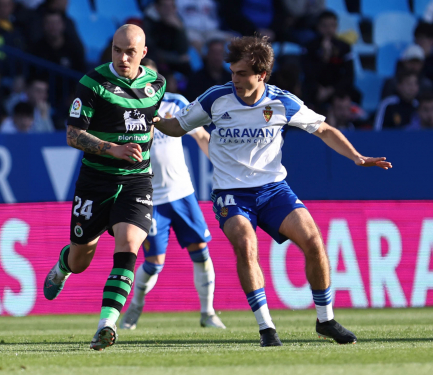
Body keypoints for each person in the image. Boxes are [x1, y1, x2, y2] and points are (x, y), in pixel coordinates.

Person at [153, 35, 391, 346]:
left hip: (273, 189)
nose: (234, 79)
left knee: (314, 242)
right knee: (246, 246)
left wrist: (357, 157)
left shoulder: (282, 102)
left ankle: (326, 320)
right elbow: (176, 127)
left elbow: (324, 129)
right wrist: (150, 117)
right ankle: (267, 328)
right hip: (232, 193)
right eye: (232, 72)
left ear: (261, 75)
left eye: (241, 74)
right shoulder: (215, 99)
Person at [42, 24, 166, 351]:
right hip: (96, 181)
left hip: (137, 179)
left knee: (128, 245)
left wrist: (140, 149)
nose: (123, 58)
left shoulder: (156, 84)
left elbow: (148, 125)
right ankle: (63, 266)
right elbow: (72, 135)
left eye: (129, 52)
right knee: (81, 259)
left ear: (143, 53)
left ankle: (107, 323)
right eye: (116, 50)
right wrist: (113, 149)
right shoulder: (92, 83)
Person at [119, 58, 225, 331]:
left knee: (201, 251)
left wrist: (225, 165)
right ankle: (136, 306)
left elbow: (201, 136)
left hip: (182, 194)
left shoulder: (175, 103)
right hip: (151, 198)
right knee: (153, 264)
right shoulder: (126, 109)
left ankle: (208, 312)